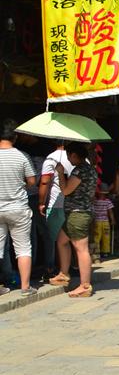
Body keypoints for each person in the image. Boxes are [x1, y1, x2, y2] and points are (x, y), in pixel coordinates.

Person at [50, 142, 96, 297]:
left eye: (69, 156)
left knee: (81, 248)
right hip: (77, 213)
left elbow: (66, 190)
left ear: (75, 155)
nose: (68, 159)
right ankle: (64, 273)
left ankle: (85, 285)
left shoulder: (80, 171)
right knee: (62, 241)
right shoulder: (90, 169)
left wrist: (61, 174)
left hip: (78, 214)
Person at [0, 125, 38, 296]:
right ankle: (25, 287)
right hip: (18, 208)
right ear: (14, 139)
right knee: (23, 247)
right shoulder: (22, 156)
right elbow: (32, 181)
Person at [37, 141, 72, 277]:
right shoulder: (80, 158)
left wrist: (41, 202)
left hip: (56, 204)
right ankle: (70, 267)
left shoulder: (51, 158)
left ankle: (52, 268)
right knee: (71, 238)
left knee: (52, 238)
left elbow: (45, 181)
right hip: (74, 205)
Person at [92, 187, 115, 264]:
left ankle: (97, 252)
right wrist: (112, 220)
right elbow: (110, 212)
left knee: (97, 237)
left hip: (97, 221)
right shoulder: (108, 201)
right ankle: (105, 251)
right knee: (106, 237)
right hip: (105, 221)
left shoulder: (94, 201)